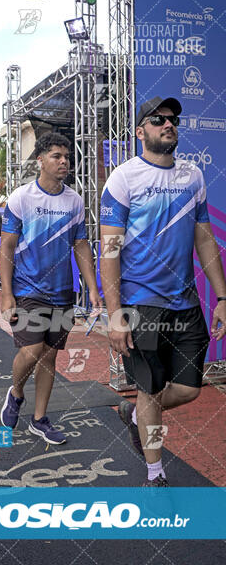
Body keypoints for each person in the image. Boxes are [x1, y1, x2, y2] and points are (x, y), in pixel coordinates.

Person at [99, 96, 226, 487]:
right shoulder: (123, 178)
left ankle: (136, 414)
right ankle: (155, 473)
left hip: (185, 303)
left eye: (172, 120)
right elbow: (110, 250)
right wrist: (115, 312)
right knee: (150, 390)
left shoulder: (193, 177)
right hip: (141, 305)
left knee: (188, 389)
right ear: (141, 131)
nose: (168, 124)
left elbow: (205, 240)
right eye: (158, 120)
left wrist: (222, 297)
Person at [0, 132, 102, 444]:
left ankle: (40, 419)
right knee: (31, 351)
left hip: (62, 292)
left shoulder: (75, 200)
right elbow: (6, 248)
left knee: (49, 357)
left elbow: (81, 245)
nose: (64, 162)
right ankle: (16, 392)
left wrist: (93, 289)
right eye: (57, 156)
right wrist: (6, 294)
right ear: (40, 160)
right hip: (28, 289)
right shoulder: (21, 198)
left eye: (66, 157)